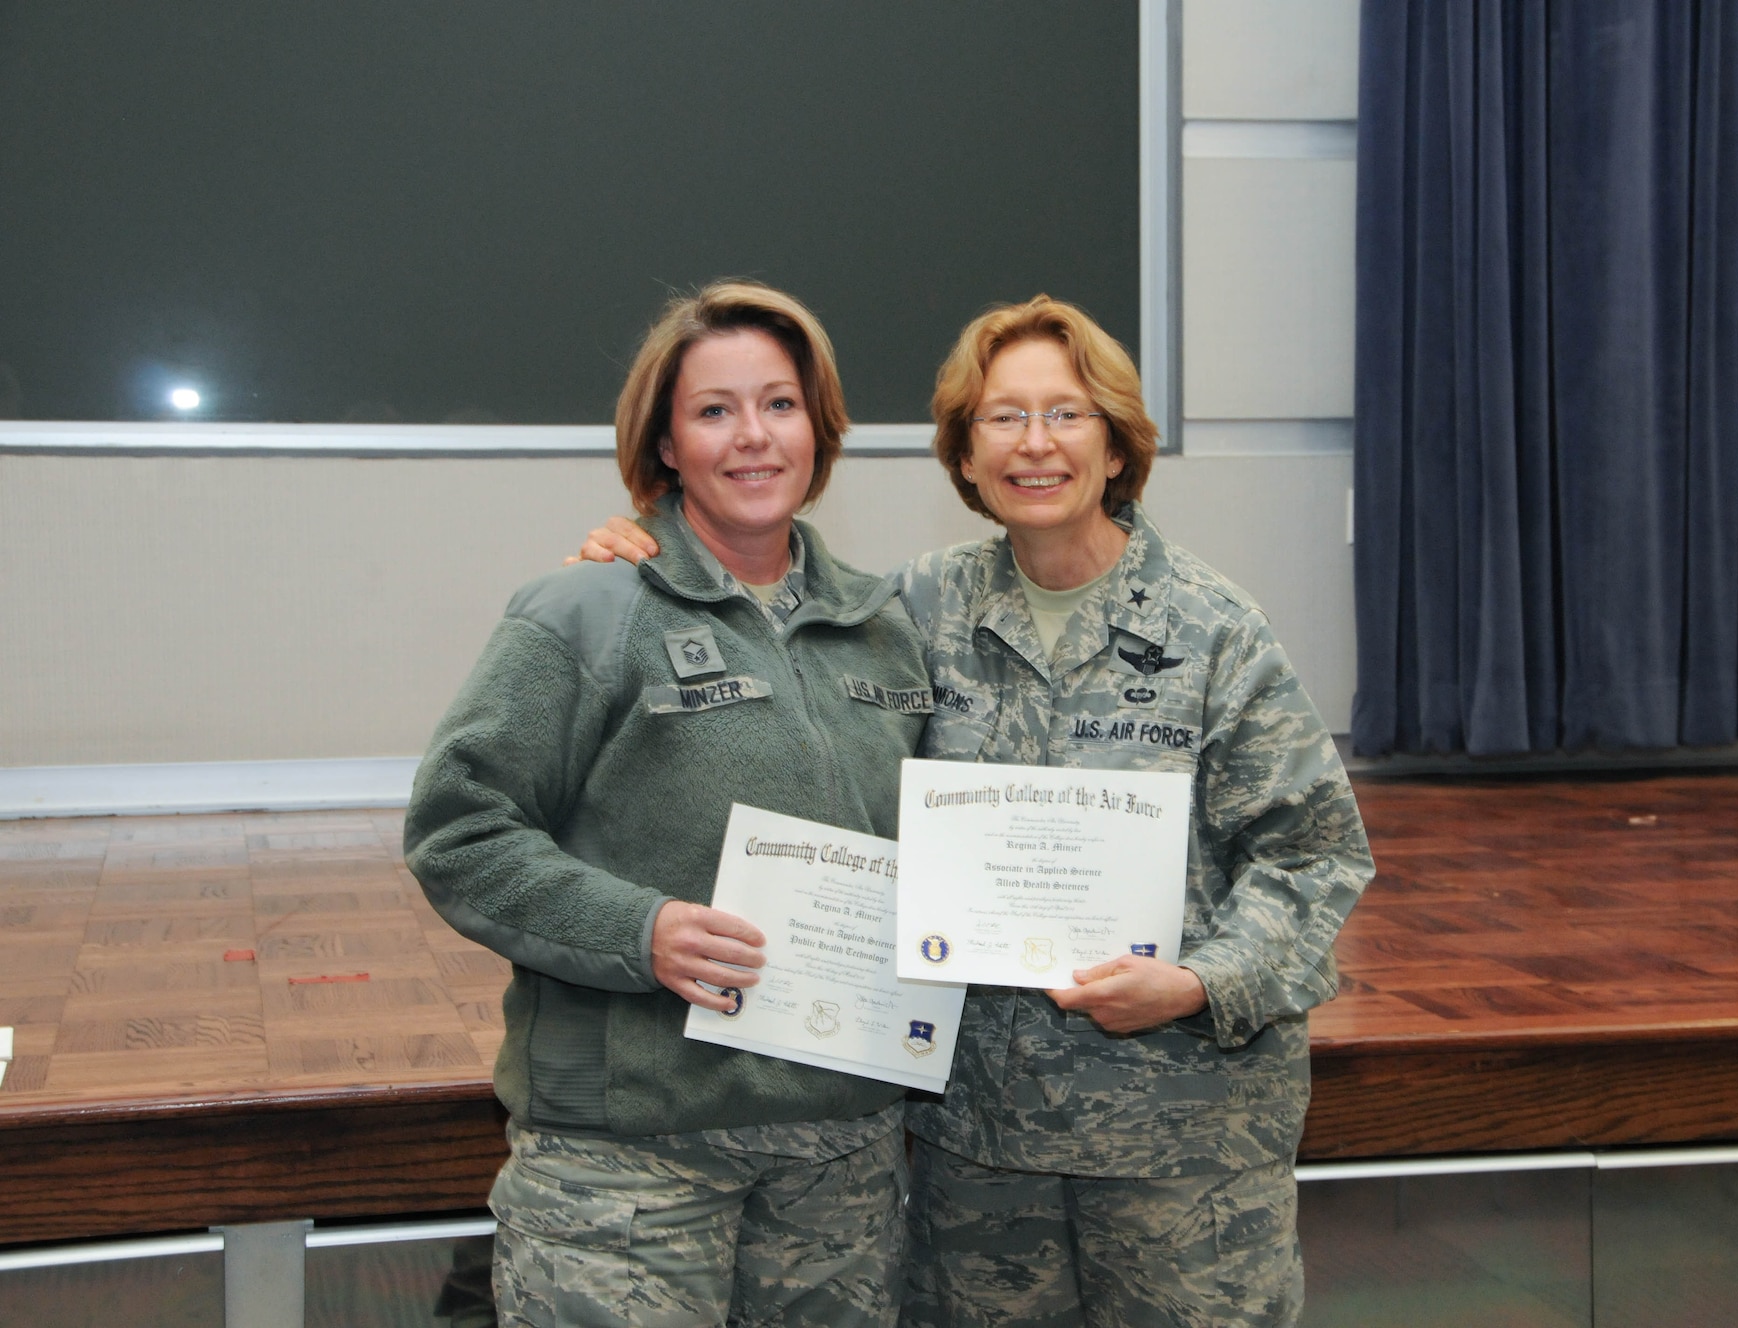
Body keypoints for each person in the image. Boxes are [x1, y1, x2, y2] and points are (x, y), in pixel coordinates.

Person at [576, 295, 1374, 1327]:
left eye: (1066, 414)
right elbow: (765, 633)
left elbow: (1312, 855)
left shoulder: (1215, 630)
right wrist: (647, 554)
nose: (1033, 444)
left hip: (1181, 1144)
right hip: (976, 1148)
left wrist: (1193, 982)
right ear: (963, 448)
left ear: (1118, 442)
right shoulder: (912, 608)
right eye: (1002, 417)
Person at [407, 281, 933, 1327]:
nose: (752, 437)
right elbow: (459, 830)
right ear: (663, 443)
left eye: (779, 405)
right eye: (713, 410)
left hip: (842, 1151)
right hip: (628, 1159)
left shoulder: (886, 626)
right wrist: (637, 930)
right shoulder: (584, 610)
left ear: (819, 429)